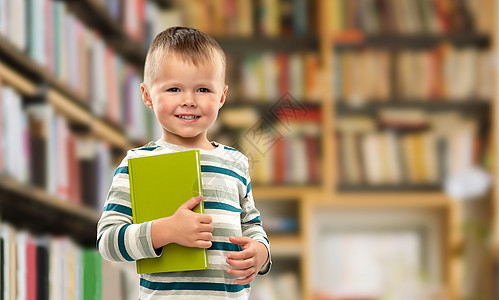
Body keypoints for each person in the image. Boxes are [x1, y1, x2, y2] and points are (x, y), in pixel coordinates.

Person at [96, 26, 271, 299]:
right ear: (147, 96)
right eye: (174, 88)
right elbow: (108, 241)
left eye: (203, 89)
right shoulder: (136, 163)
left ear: (221, 97)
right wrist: (164, 231)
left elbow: (252, 224)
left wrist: (261, 253)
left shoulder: (235, 162)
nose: (189, 101)